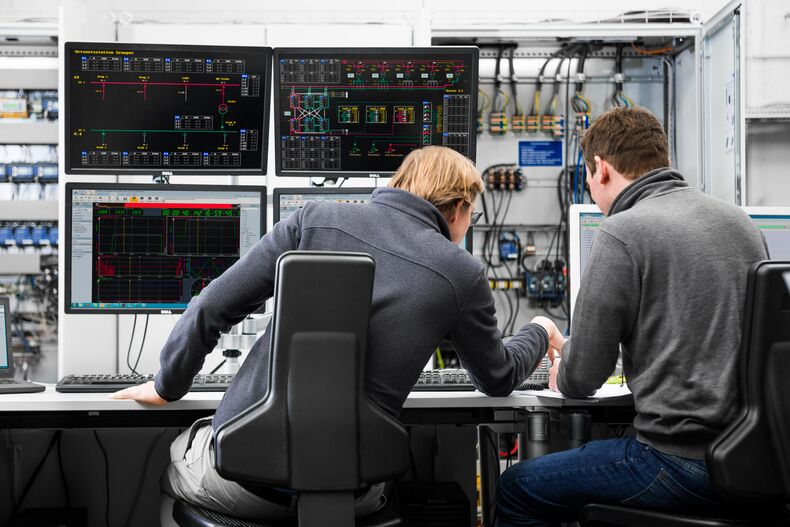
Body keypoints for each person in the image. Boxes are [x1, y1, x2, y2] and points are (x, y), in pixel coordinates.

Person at [110, 145, 565, 521]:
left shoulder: (313, 218)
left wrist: (169, 386)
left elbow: (212, 306)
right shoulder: (461, 273)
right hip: (354, 491)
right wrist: (541, 329)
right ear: (460, 207)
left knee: (176, 456)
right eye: (473, 216)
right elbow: (497, 377)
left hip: (241, 477)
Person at [496, 106, 769, 526]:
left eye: (588, 180)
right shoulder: (741, 223)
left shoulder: (622, 231)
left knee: (517, 487)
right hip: (753, 458)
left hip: (677, 462)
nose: (592, 191)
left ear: (601, 169)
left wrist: (561, 367)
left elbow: (581, 378)